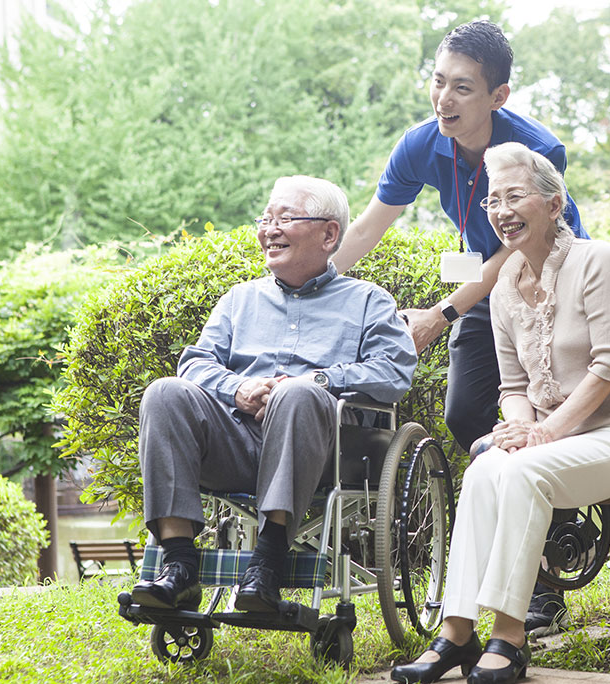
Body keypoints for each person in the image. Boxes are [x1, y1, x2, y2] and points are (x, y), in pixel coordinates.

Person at [331, 20, 589, 633]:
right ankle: (554, 517)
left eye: (464, 89)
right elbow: (368, 228)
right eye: (438, 81)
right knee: (466, 416)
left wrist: (441, 314)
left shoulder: (535, 149)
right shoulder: (421, 145)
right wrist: (311, 286)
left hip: (553, 282)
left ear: (498, 96)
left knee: (546, 412)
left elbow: (515, 255)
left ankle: (544, 578)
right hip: (489, 290)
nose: (444, 99)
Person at [390, 142, 610, 684]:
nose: (501, 211)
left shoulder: (597, 260)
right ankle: (456, 632)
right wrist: (520, 427)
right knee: (487, 465)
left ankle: (510, 636)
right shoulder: (503, 287)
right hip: (554, 441)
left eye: (514, 196)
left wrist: (543, 432)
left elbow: (609, 368)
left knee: (519, 467)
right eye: (493, 201)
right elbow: (513, 384)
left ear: (553, 204)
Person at [130, 176, 417, 614]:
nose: (270, 229)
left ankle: (267, 565)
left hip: (322, 451)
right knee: (165, 393)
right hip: (236, 444)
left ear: (329, 234)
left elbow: (394, 371)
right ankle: (179, 566)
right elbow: (195, 363)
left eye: (285, 218)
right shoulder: (239, 300)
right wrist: (238, 387)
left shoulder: (367, 301)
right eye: (266, 218)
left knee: (297, 393)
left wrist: (319, 381)